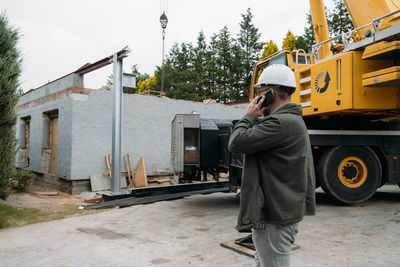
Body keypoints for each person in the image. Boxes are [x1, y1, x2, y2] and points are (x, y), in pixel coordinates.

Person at [228, 64, 316, 267]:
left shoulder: (279, 123)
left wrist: (249, 115)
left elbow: (235, 143)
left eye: (260, 92)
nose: (256, 98)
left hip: (275, 217)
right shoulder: (289, 120)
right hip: (277, 214)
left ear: (271, 92)